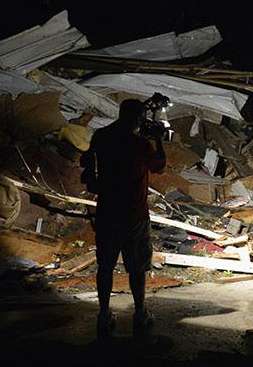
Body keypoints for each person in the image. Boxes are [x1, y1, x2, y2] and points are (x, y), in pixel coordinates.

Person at [80, 99, 166, 339]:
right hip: (133, 215)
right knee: (137, 267)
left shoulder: (102, 136)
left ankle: (104, 314)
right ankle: (139, 314)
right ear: (138, 118)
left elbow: (88, 163)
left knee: (105, 266)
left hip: (107, 212)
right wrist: (158, 139)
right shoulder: (139, 144)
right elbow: (159, 167)